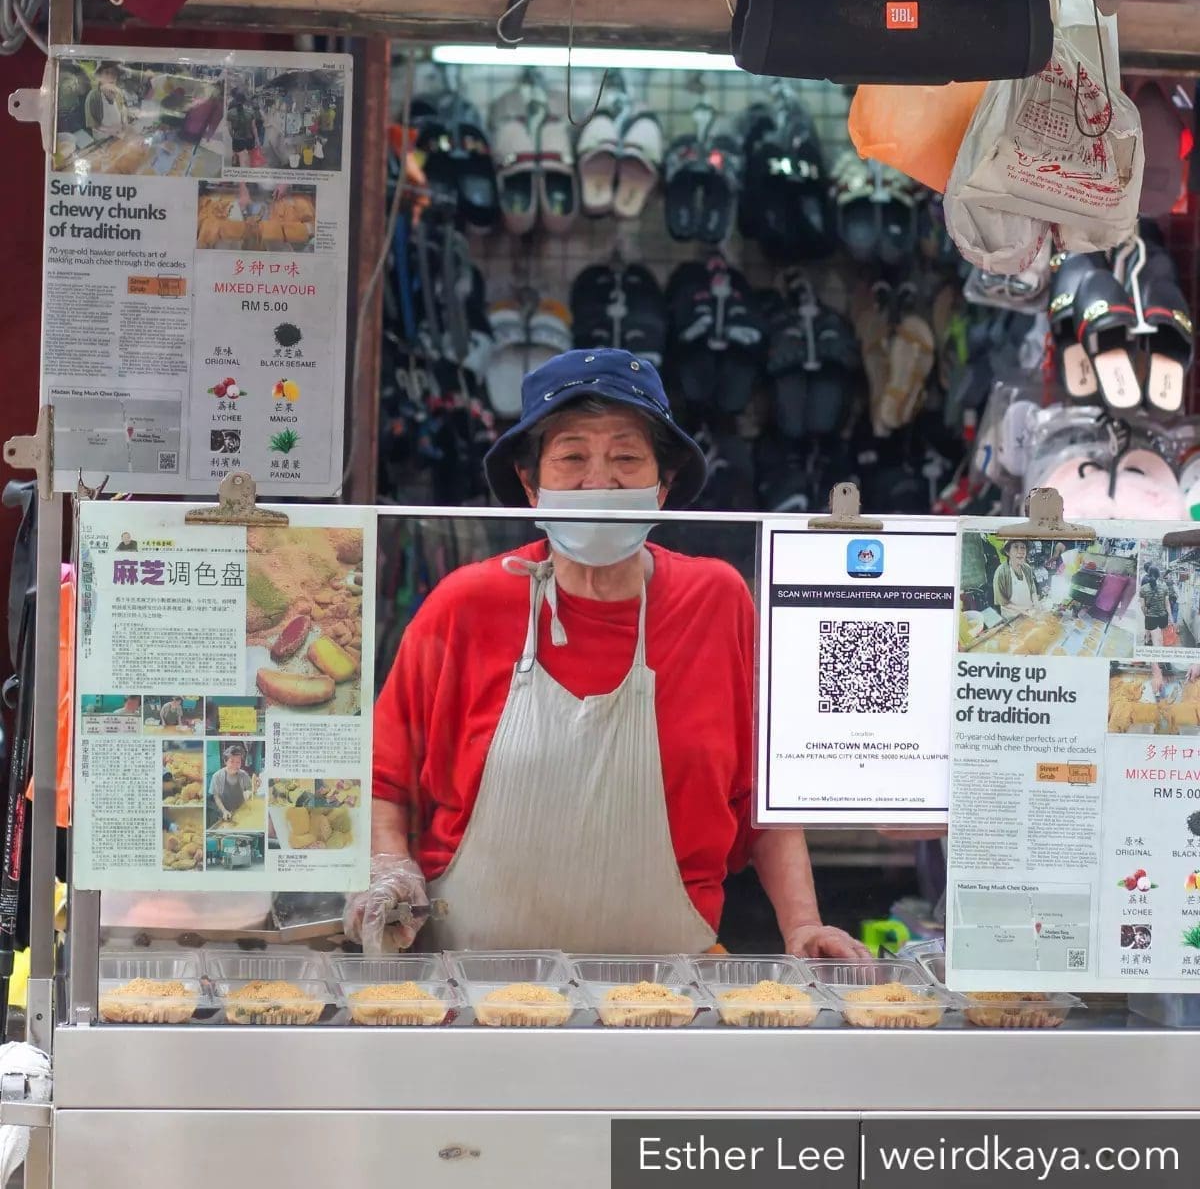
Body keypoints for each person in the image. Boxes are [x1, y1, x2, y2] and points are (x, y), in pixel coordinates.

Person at [348, 347, 868, 960]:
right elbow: (384, 778)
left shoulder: (718, 602)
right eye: (571, 457)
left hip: (672, 995)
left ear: (662, 484)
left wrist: (803, 925)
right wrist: (389, 864)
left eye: (626, 457)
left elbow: (766, 797)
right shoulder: (467, 604)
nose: (600, 481)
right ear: (531, 484)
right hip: (470, 994)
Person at [993, 539, 1041, 620]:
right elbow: (1003, 602)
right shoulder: (1001, 572)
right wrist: (1024, 611)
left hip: (1029, 614)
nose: (1020, 551)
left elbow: (1032, 590)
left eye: (1023, 547)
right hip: (1012, 618)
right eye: (1015, 547)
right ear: (1008, 552)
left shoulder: (1027, 568)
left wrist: (1036, 604)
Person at [209, 743, 254, 824]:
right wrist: (224, 811)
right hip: (225, 815)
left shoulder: (244, 775)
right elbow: (216, 796)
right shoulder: (217, 776)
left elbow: (251, 790)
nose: (235, 765)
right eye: (232, 761)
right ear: (225, 761)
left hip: (242, 813)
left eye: (238, 762)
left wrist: (250, 792)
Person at [84, 63, 128, 140]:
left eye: (114, 73)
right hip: (102, 141)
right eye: (107, 73)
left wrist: (125, 125)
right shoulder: (93, 96)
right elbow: (92, 124)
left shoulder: (119, 93)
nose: (111, 76)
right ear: (100, 77)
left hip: (119, 138)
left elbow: (123, 112)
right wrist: (111, 130)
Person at [1140, 565, 1177, 647]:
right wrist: (1170, 617)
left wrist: (1146, 614)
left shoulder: (1143, 589)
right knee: (1161, 638)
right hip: (1162, 616)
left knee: (1154, 639)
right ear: (1158, 575)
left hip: (1150, 616)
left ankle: (1148, 643)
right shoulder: (1164, 587)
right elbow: (1167, 604)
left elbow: (1142, 606)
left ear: (1148, 574)